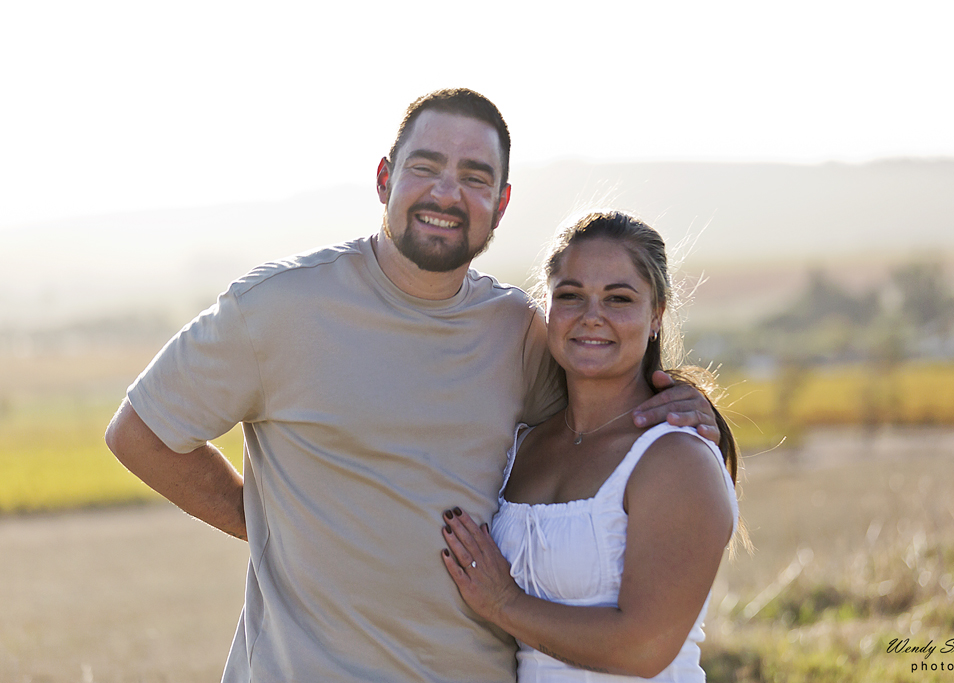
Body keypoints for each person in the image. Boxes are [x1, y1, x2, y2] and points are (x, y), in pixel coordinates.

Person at [104, 89, 722, 683]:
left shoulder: (517, 331)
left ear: (501, 204)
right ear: (384, 179)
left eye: (475, 177)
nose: (447, 193)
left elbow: (605, 409)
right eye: (425, 167)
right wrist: (273, 528)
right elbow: (139, 435)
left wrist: (685, 406)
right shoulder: (278, 307)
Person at [440, 210, 745, 681]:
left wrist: (503, 603)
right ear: (547, 307)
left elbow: (645, 648)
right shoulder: (522, 443)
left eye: (618, 298)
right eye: (570, 295)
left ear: (657, 314)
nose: (591, 317)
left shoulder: (675, 457)